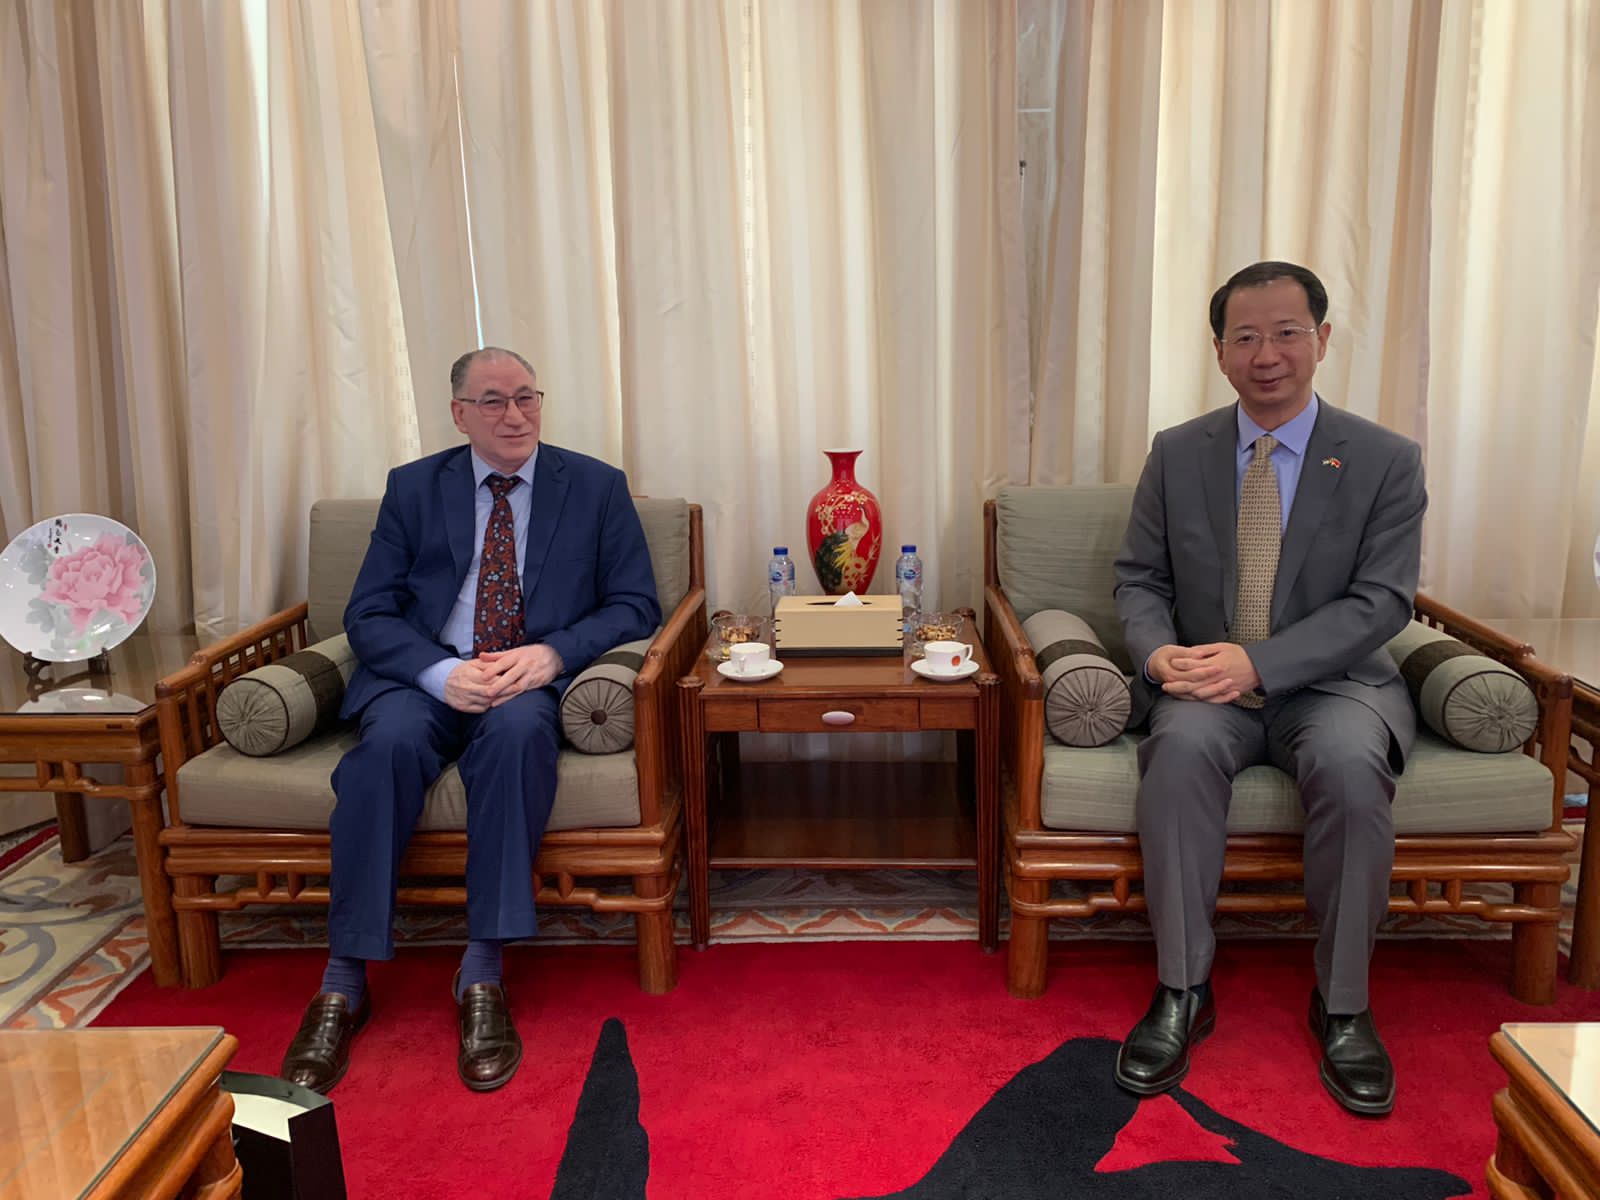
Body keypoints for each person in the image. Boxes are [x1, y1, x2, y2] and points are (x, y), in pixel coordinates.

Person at [279, 346, 660, 1094]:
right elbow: (368, 612)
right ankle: (342, 981)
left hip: (524, 678)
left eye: (526, 397)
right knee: (383, 751)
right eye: (493, 401)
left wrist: (551, 655)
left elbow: (636, 603)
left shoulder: (594, 486)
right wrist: (437, 672)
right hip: (428, 675)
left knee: (518, 740)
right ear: (459, 414)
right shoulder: (414, 488)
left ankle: (482, 972)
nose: (514, 415)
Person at [1111, 261, 1426, 1115]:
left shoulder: (1385, 460)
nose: (1267, 355)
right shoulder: (1179, 452)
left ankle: (1344, 1004)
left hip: (1334, 685)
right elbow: (1139, 579)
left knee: (1353, 772)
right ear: (1219, 351)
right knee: (1176, 756)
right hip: (1207, 686)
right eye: (1245, 337)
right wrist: (1157, 655)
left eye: (1287, 333)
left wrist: (1264, 663)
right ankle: (1182, 989)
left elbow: (1382, 601)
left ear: (1321, 340)